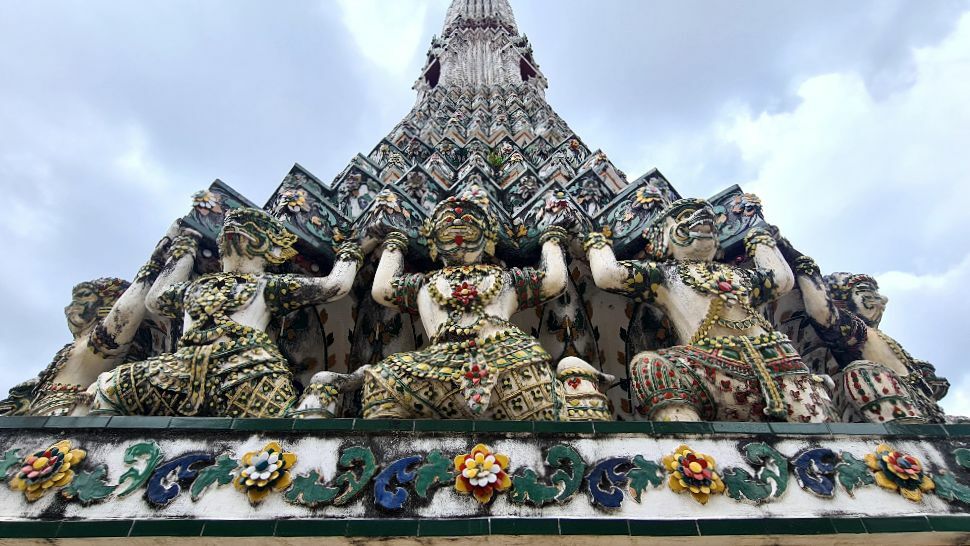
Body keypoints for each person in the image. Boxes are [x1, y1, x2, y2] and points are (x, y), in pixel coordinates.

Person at [90, 207, 362, 417]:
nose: (234, 230)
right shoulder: (194, 288)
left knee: (288, 429)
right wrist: (184, 251)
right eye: (230, 227)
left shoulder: (267, 286)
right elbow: (157, 300)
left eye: (249, 228)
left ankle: (322, 393)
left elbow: (333, 286)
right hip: (182, 367)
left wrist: (352, 250)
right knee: (107, 389)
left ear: (273, 249)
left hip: (245, 368)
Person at [585, 197, 836, 422]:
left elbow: (781, 280)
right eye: (684, 217)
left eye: (710, 219)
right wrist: (596, 241)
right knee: (649, 366)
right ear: (661, 238)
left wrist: (761, 240)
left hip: (778, 362)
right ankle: (691, 456)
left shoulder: (739, 275)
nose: (702, 218)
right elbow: (608, 275)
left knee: (823, 437)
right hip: (712, 367)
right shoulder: (664, 275)